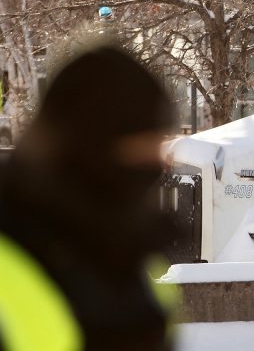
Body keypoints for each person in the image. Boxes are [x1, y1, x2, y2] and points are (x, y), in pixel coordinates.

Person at [0, 45, 177, 350]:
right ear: (92, 145)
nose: (159, 164)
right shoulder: (14, 253)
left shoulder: (137, 258)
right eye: (143, 145)